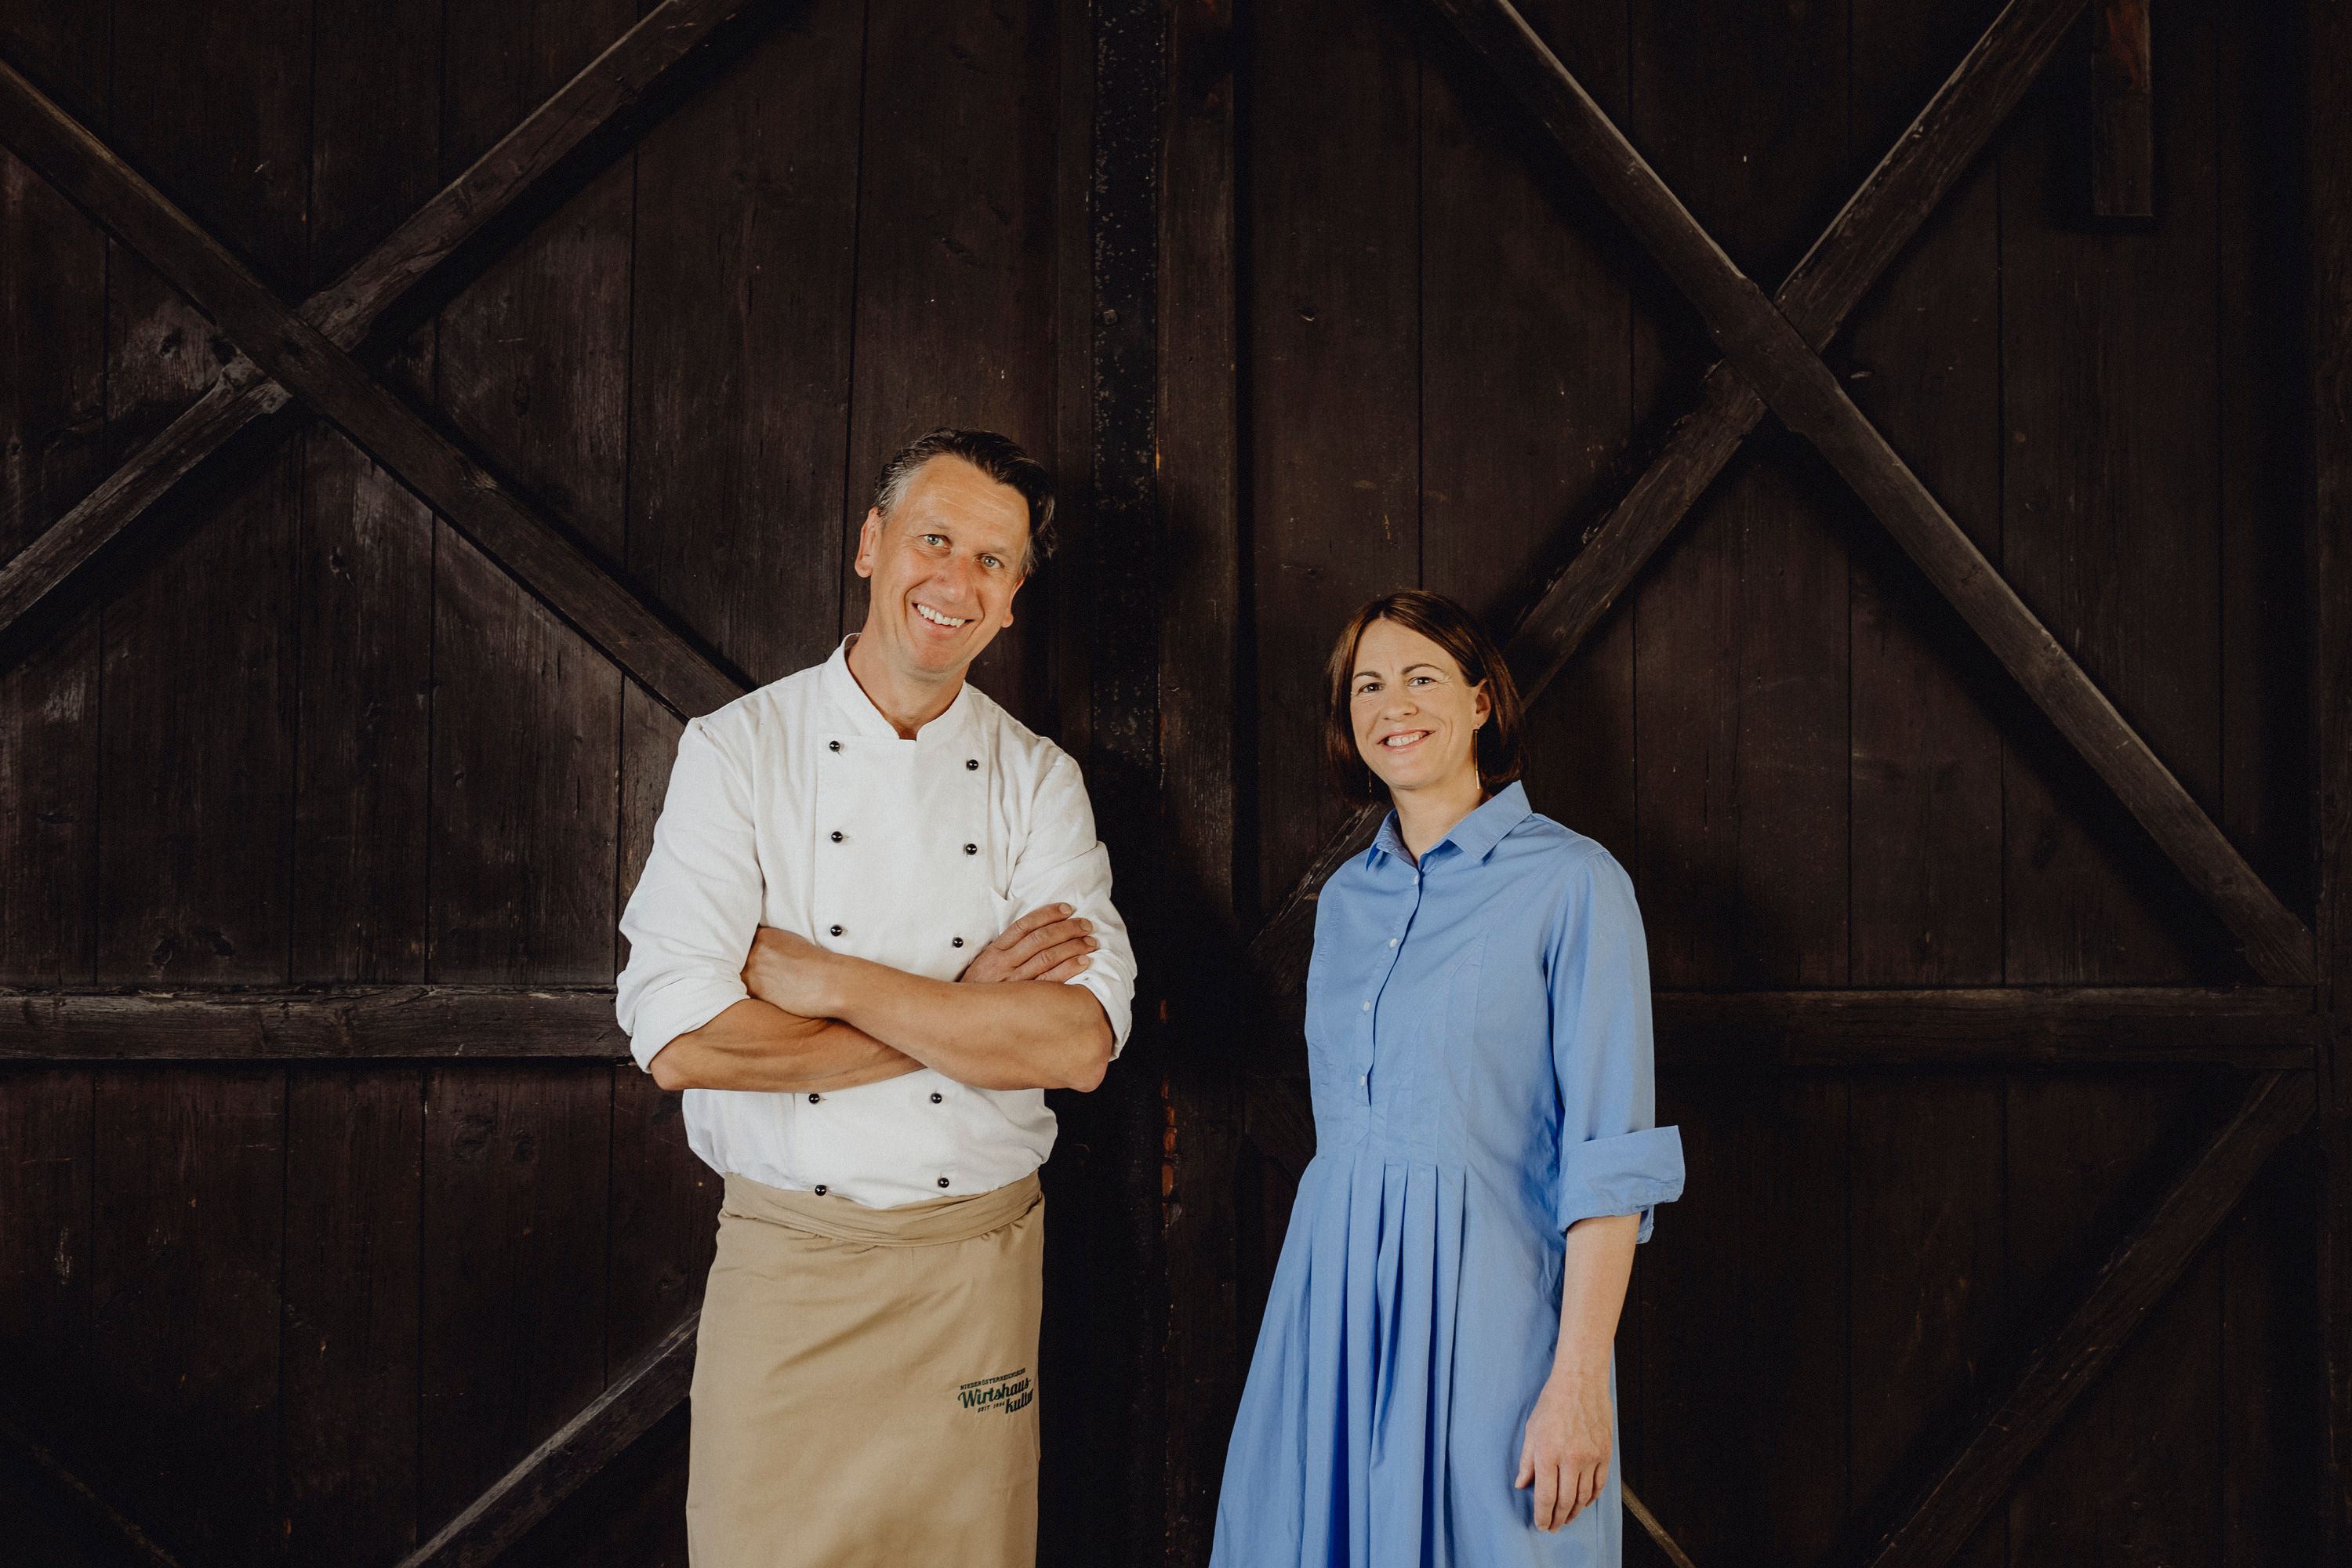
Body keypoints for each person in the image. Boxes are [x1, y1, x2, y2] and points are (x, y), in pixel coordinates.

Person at [614, 428, 1136, 1568]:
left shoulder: (1040, 782)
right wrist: (963, 1012)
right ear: (870, 543)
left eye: (994, 564)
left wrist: (836, 983)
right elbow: (684, 1041)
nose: (956, 582)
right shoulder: (738, 753)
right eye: (935, 540)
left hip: (976, 1275)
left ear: (1013, 604)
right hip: (787, 1267)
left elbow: (1079, 1042)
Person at [1210, 589, 1683, 1566]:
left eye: (1422, 677)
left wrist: (1578, 1382)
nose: (1394, 704)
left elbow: (1611, 1157)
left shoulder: (1574, 882)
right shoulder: (1346, 898)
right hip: (1331, 1313)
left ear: (1480, 701)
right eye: (1368, 686)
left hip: (1493, 1321)